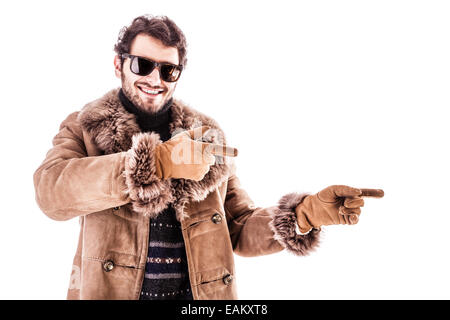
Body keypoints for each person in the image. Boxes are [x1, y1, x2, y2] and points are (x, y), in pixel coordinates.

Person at [33, 15, 384, 300]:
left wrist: (304, 215)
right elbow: (51, 192)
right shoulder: (85, 126)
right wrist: (158, 163)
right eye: (143, 65)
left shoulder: (206, 135)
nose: (156, 79)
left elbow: (238, 225)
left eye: (168, 70)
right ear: (118, 64)